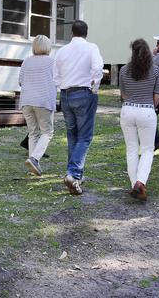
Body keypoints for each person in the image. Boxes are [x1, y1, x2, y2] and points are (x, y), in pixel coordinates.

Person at [53, 20, 103, 195]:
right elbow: (98, 68)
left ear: (71, 33)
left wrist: (62, 87)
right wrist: (94, 88)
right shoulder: (91, 48)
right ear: (86, 33)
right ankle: (73, 174)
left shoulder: (61, 51)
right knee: (85, 137)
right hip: (84, 92)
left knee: (72, 134)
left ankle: (74, 174)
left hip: (66, 94)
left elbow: (55, 75)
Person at [119, 39, 159, 201]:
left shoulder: (123, 70)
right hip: (147, 111)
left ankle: (134, 184)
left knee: (131, 149)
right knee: (147, 149)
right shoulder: (156, 71)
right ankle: (140, 182)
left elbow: (123, 95)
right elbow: (157, 98)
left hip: (127, 110)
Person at [19, 35, 56, 176]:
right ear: (48, 47)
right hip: (44, 101)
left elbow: (20, 81)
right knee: (47, 132)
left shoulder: (26, 61)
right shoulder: (52, 62)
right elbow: (58, 79)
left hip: (27, 101)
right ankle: (34, 159)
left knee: (33, 133)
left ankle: (33, 165)